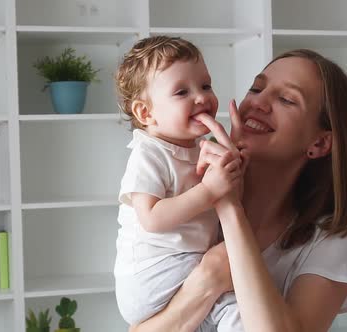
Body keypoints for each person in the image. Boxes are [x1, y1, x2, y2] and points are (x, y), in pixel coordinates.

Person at [130, 49, 347, 332]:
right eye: (257, 88)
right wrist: (206, 282)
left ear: (320, 144)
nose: (258, 102)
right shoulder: (188, 197)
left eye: (286, 99)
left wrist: (229, 207)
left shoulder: (334, 239)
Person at [113, 36, 245, 331]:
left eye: (206, 86)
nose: (201, 98)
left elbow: (231, 203)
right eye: (182, 91)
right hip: (152, 274)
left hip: (185, 269)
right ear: (146, 113)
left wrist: (234, 166)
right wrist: (209, 190)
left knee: (236, 311)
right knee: (232, 274)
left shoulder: (201, 148)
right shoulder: (148, 153)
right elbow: (151, 218)